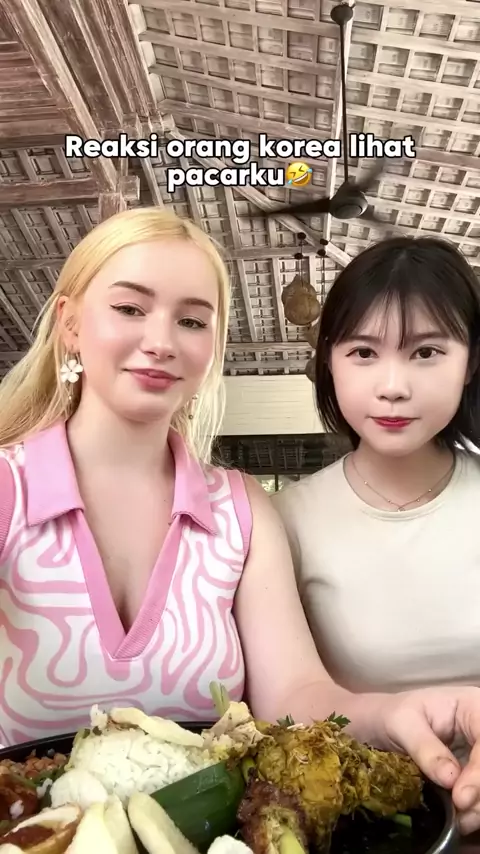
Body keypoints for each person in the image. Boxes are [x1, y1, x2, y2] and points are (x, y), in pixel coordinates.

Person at [0, 214, 479, 833]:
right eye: (129, 308)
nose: (161, 341)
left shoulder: (241, 509)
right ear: (70, 323)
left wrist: (397, 713)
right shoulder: (8, 490)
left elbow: (293, 700)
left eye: (192, 321)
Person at [271, 235, 480, 834]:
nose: (393, 385)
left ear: (470, 363)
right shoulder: (284, 520)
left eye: (426, 352)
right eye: (363, 352)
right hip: (361, 827)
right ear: (329, 362)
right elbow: (283, 702)